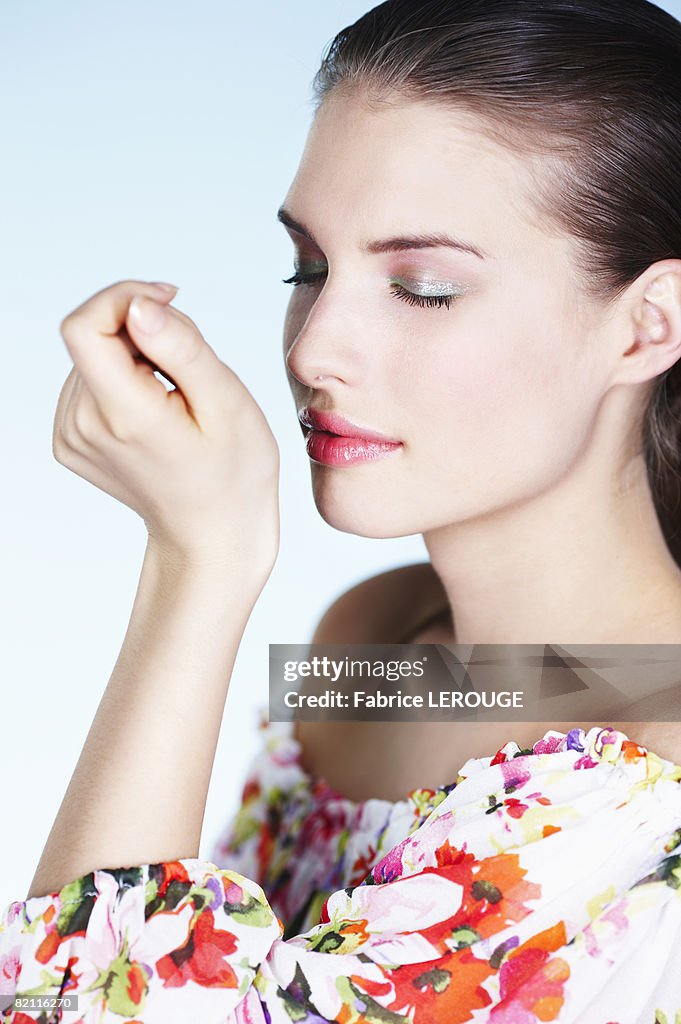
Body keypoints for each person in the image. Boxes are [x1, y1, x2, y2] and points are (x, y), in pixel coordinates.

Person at [2, 0, 681, 1019]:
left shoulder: (641, 781)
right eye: (308, 267)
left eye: (424, 286)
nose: (314, 348)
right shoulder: (375, 636)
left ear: (648, 326)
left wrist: (200, 565)